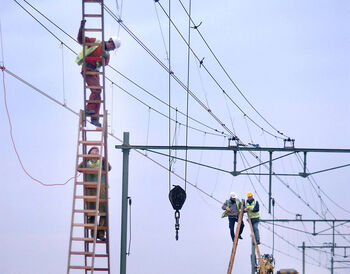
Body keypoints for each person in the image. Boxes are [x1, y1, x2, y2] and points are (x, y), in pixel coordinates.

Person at [76, 19, 121, 127]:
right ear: (109, 42)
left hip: (95, 72)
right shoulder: (96, 43)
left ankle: (94, 117)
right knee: (96, 90)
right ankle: (88, 109)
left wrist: (105, 57)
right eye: (112, 46)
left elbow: (106, 63)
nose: (111, 49)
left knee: (98, 93)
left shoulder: (107, 54)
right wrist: (81, 28)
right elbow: (81, 40)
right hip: (88, 68)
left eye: (113, 48)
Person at [78, 146, 111, 241]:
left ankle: (101, 233)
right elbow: (79, 168)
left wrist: (103, 159)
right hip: (90, 190)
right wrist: (85, 158)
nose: (95, 152)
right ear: (89, 152)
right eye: (93, 150)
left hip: (101, 189)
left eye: (97, 151)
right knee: (91, 213)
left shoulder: (101, 161)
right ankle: (93, 233)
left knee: (103, 212)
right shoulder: (86, 162)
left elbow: (108, 168)